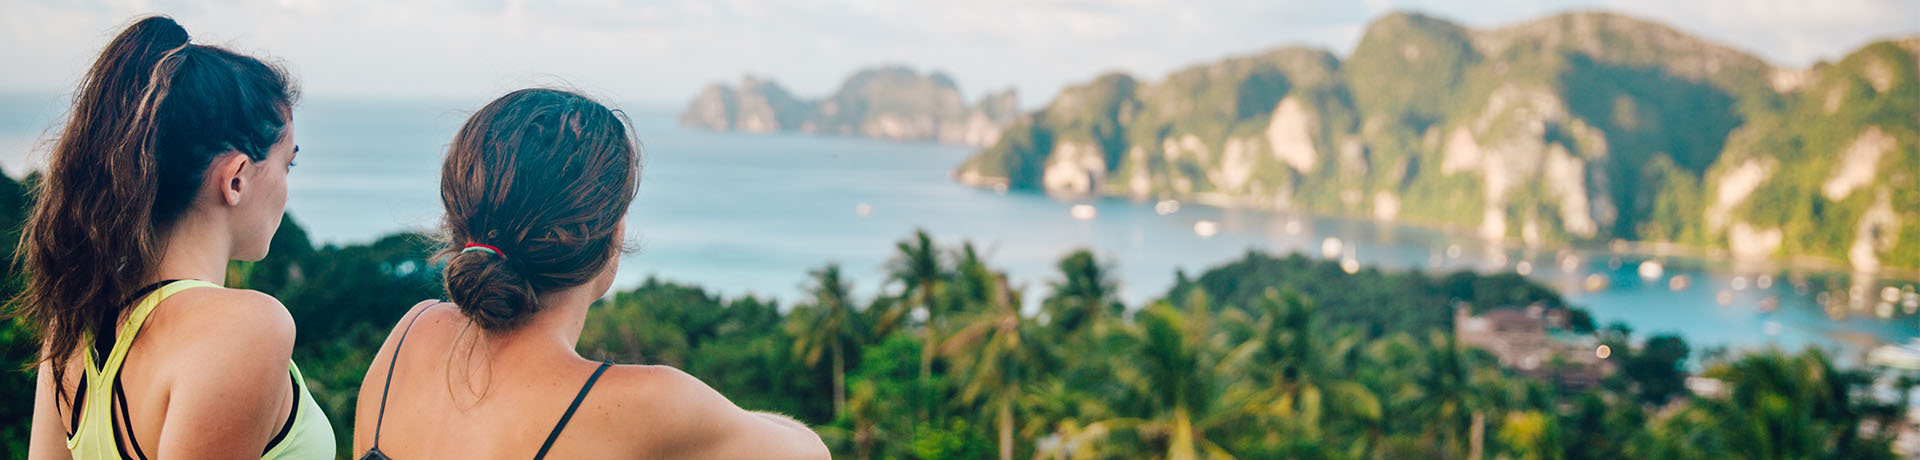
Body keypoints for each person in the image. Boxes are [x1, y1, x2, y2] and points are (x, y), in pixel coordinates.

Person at [352, 88, 829, 459]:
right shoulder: (648, 406)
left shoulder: (410, 336)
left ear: (460, 218)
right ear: (612, 232)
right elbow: (811, 452)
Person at [22, 16, 334, 460]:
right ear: (237, 180)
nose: (287, 185)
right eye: (289, 164)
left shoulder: (73, 329)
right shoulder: (246, 328)